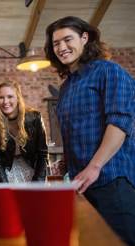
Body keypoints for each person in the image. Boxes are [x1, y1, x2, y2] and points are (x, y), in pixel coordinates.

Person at [44, 16, 135, 244]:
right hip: (81, 183)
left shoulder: (110, 71)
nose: (62, 48)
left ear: (85, 38)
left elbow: (119, 123)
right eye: (56, 43)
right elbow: (74, 131)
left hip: (111, 179)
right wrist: (66, 162)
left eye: (68, 39)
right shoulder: (66, 88)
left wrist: (94, 166)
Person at [0, 81, 48, 183]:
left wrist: (38, 183)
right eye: (1, 97)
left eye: (10, 97)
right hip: (7, 171)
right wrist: (4, 187)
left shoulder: (34, 117)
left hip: (33, 169)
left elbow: (42, 154)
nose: (5, 101)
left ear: (18, 98)